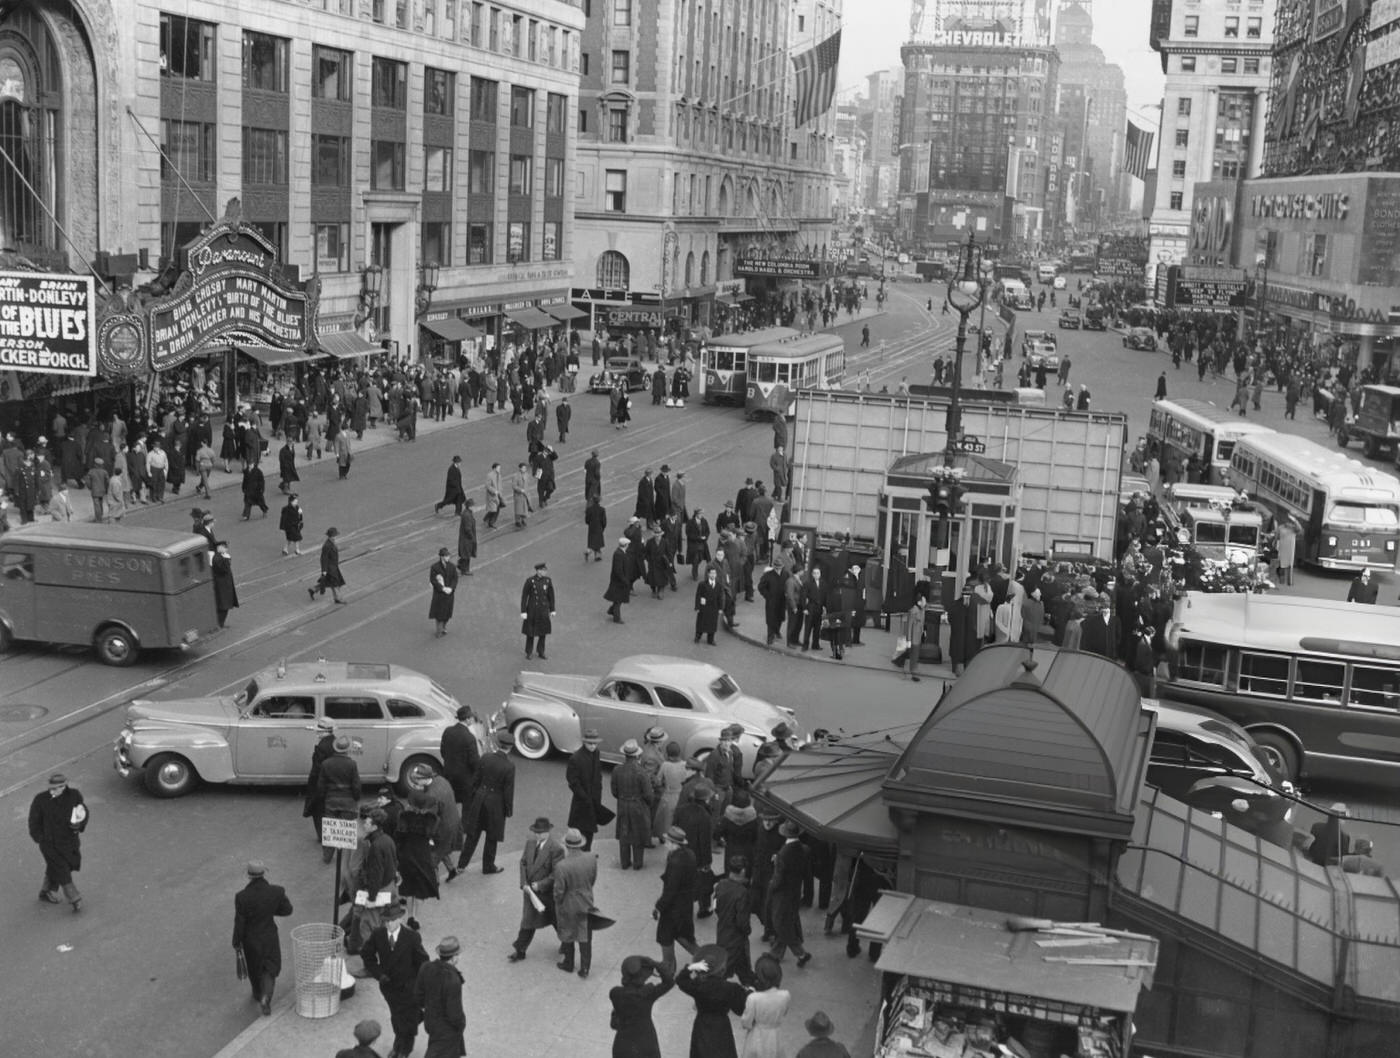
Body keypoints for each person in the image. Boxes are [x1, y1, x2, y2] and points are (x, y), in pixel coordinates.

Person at [360, 903, 429, 1058]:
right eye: (386, 921)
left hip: (409, 988)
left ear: (400, 919)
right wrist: (379, 973)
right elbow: (366, 954)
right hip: (389, 987)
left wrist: (420, 987)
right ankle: (400, 1042)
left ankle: (404, 1050)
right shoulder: (378, 935)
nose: (389, 924)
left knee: (407, 1021)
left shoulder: (411, 937)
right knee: (397, 1017)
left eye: (392, 920)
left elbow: (423, 962)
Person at [232, 860, 293, 1016]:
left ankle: (258, 993)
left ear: (249, 876)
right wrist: (270, 911)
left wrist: (237, 942)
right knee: (270, 969)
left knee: (254, 969)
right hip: (269, 936)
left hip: (250, 940)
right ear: (264, 873)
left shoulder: (242, 897)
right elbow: (287, 910)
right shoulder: (277, 891)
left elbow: (239, 922)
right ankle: (266, 996)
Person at [508, 817, 565, 962]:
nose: (538, 835)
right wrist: (523, 882)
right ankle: (520, 950)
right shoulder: (530, 843)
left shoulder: (556, 848)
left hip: (546, 894)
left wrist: (540, 885)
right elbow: (523, 863)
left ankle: (566, 943)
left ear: (548, 832)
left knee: (556, 920)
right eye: (536, 832)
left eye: (541, 832)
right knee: (528, 921)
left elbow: (556, 873)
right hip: (530, 892)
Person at [458, 731, 515, 875]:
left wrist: (474, 798)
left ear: (497, 744)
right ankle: (488, 866)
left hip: (480, 799)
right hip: (495, 804)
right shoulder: (509, 766)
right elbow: (508, 791)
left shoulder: (485, 757)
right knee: (492, 837)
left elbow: (475, 780)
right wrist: (508, 809)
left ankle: (461, 865)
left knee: (472, 835)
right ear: (510, 747)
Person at [29, 772, 88, 912]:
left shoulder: (74, 795)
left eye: (55, 788)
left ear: (63, 786)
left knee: (59, 866)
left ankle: (45, 892)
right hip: (50, 844)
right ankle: (74, 898)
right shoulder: (40, 799)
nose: (52, 791)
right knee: (62, 869)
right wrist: (39, 838)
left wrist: (79, 825)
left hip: (69, 842)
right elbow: (33, 821)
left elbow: (83, 811)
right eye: (50, 788)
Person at [676, 946, 749, 1058]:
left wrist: (690, 967)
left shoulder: (697, 986)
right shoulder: (730, 988)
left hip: (702, 1023)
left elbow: (681, 980)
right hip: (721, 1025)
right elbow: (740, 1009)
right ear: (722, 970)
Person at [553, 827, 600, 978]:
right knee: (585, 935)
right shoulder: (591, 858)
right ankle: (585, 967)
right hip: (586, 900)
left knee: (568, 933)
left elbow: (559, 891)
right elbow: (592, 879)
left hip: (569, 903)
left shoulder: (561, 866)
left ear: (567, 846)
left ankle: (568, 963)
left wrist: (558, 901)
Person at [609, 955, 675, 1058]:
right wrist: (655, 964)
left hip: (623, 1043)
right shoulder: (648, 994)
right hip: (646, 1041)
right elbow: (669, 982)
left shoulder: (615, 993)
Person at [654, 824, 699, 975]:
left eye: (668, 841)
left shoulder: (675, 862)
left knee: (665, 936)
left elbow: (670, 889)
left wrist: (659, 906)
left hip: (672, 908)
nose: (666, 843)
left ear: (674, 843)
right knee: (684, 936)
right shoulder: (689, 854)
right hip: (685, 905)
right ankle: (705, 960)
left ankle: (668, 967)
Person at [768, 821, 812, 966]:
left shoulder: (783, 853)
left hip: (782, 894)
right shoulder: (803, 849)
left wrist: (771, 887)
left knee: (781, 924)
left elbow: (778, 878)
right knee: (787, 921)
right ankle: (776, 954)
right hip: (795, 891)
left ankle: (801, 953)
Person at [415, 936, 466, 1058]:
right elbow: (454, 1012)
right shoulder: (453, 980)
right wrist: (461, 1024)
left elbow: (418, 995)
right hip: (447, 1029)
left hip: (431, 1021)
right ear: (453, 958)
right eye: (458, 954)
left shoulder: (426, 967)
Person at [614, 739, 655, 869]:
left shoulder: (617, 770)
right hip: (638, 805)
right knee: (638, 834)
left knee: (624, 834)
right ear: (637, 755)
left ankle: (624, 863)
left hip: (622, 804)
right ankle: (637, 863)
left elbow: (614, 791)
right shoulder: (641, 772)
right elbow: (648, 794)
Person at [567, 728, 610, 851]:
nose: (593, 746)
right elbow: (573, 782)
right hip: (582, 801)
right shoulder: (575, 758)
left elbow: (598, 774)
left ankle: (587, 851)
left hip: (594, 799)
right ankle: (581, 853)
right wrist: (585, 797)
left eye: (595, 743)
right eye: (590, 744)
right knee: (581, 829)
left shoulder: (596, 753)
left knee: (590, 829)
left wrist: (597, 794)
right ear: (584, 742)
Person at [714, 857, 754, 988]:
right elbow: (742, 921)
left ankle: (749, 984)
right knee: (724, 969)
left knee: (741, 965)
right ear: (742, 871)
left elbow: (716, 907)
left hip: (722, 931)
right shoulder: (742, 892)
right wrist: (747, 930)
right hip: (736, 938)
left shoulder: (720, 885)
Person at [740, 954, 790, 1058]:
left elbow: (746, 1023)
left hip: (757, 1035)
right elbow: (784, 1012)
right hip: (775, 1034)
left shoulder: (753, 998)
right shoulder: (785, 995)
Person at [303, 718, 337, 842]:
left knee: (318, 812)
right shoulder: (335, 742)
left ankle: (323, 837)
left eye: (319, 731)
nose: (317, 734)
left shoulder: (321, 747)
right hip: (333, 784)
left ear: (324, 732)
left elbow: (316, 770)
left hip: (321, 784)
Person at [520, 561, 556, 659]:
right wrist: (523, 611)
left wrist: (552, 609)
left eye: (545, 570)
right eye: (544, 570)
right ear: (538, 571)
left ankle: (541, 651)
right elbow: (524, 596)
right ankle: (529, 652)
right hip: (532, 610)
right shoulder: (530, 581)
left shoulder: (548, 581)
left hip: (543, 610)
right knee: (530, 632)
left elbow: (551, 596)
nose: (545, 572)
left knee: (543, 632)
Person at [310, 526, 347, 603]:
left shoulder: (332, 542)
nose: (336, 537)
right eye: (335, 535)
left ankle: (314, 589)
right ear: (332, 536)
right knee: (335, 583)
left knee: (328, 582)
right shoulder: (327, 546)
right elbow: (323, 559)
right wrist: (324, 571)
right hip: (330, 569)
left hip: (333, 567)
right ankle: (338, 598)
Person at [428, 547, 459, 638]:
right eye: (446, 556)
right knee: (439, 614)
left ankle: (444, 627)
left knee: (447, 614)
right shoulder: (435, 567)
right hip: (440, 594)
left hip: (449, 594)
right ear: (441, 557)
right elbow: (433, 580)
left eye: (448, 555)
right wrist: (442, 588)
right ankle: (439, 630)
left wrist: (451, 588)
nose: (448, 557)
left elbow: (455, 579)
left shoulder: (452, 567)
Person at [211, 541, 239, 628]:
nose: (226, 549)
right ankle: (220, 624)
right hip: (222, 586)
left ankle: (220, 624)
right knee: (223, 606)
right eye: (224, 547)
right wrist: (227, 559)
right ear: (219, 547)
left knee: (224, 606)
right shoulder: (218, 558)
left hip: (224, 586)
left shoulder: (219, 557)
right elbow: (224, 570)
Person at [605, 535, 633, 624]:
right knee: (618, 600)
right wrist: (624, 580)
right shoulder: (619, 554)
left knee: (618, 599)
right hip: (619, 582)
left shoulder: (620, 553)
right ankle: (616, 618)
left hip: (618, 581)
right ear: (625, 545)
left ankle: (612, 610)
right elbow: (618, 570)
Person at [694, 564, 722, 645]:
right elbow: (698, 595)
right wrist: (697, 607)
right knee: (701, 622)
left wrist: (720, 608)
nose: (713, 575)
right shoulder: (702, 584)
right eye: (712, 573)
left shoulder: (719, 585)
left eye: (714, 573)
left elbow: (720, 597)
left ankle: (710, 639)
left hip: (714, 607)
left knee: (712, 624)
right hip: (704, 607)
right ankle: (698, 636)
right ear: (708, 574)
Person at [901, 595, 927, 681]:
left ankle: (913, 671)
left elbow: (922, 623)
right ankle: (910, 672)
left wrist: (924, 632)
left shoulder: (922, 610)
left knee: (915, 656)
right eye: (924, 601)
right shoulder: (913, 611)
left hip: (918, 637)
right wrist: (908, 640)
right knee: (910, 655)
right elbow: (909, 626)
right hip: (912, 637)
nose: (925, 603)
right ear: (919, 602)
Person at [456, 499, 477, 575]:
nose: (474, 507)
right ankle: (464, 570)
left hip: (465, 538)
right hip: (467, 539)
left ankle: (461, 566)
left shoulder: (467, 513)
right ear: (470, 506)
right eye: (473, 506)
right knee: (466, 554)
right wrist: (472, 537)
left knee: (465, 553)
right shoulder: (467, 515)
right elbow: (468, 529)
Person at [586, 495, 608, 562]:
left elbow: (587, 520)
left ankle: (588, 551)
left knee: (592, 541)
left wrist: (590, 524)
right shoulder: (602, 509)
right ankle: (597, 555)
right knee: (598, 542)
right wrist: (603, 527)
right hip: (599, 527)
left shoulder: (589, 509)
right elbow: (604, 521)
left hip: (592, 527)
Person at [511, 461, 532, 529]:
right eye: (523, 468)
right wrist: (520, 490)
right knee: (518, 509)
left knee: (524, 508)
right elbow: (514, 486)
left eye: (525, 468)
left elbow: (527, 484)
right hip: (518, 495)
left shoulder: (526, 474)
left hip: (525, 494)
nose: (524, 469)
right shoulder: (515, 476)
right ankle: (517, 521)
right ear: (520, 468)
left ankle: (522, 520)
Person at [484, 462, 504, 529]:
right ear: (494, 468)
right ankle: (491, 522)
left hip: (498, 495)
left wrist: (500, 492)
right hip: (492, 495)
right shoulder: (489, 475)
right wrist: (494, 491)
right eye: (498, 468)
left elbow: (500, 485)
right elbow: (487, 486)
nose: (499, 469)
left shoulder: (499, 475)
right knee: (494, 510)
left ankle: (487, 519)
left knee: (496, 509)